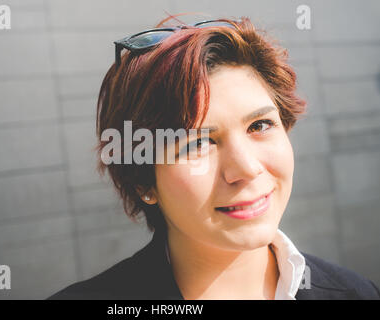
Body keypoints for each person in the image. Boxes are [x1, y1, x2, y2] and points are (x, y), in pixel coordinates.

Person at [48, 15, 380, 300]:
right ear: (143, 182)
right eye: (197, 144)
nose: (247, 169)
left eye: (259, 125)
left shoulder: (357, 293)